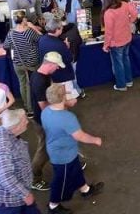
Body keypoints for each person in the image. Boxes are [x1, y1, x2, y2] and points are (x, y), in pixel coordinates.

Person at [42, 83, 104, 213]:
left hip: (60, 150)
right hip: (63, 157)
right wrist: (95, 140)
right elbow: (80, 136)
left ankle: (85, 190)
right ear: (63, 97)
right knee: (60, 182)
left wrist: (65, 102)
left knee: (75, 170)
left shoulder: (46, 111)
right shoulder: (68, 118)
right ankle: (53, 206)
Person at [0, 108, 40, 213]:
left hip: (17, 195)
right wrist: (25, 194)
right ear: (16, 126)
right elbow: (5, 177)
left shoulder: (7, 132)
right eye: (24, 120)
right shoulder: (2, 147)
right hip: (9, 200)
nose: (27, 121)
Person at [29, 51, 67, 193]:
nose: (57, 68)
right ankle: (35, 179)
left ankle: (70, 164)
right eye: (56, 66)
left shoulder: (41, 74)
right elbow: (43, 104)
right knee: (43, 150)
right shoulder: (40, 81)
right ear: (50, 64)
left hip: (43, 119)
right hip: (43, 121)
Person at [5, 13, 43, 118]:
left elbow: (6, 45)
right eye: (25, 18)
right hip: (31, 63)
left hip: (18, 63)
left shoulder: (11, 33)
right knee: (30, 85)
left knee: (22, 84)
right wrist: (33, 27)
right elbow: (42, 39)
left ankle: (27, 107)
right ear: (23, 20)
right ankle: (31, 109)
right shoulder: (29, 32)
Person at [101, 0, 137, 91]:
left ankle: (121, 85)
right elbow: (134, 13)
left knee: (118, 64)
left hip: (116, 43)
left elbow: (108, 32)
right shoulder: (125, 4)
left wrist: (105, 45)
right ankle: (129, 81)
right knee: (126, 59)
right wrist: (130, 21)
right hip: (127, 38)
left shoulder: (108, 13)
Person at [38, 17, 75, 88]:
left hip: (49, 76)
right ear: (57, 29)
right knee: (67, 97)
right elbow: (70, 59)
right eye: (61, 27)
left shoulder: (42, 39)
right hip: (63, 77)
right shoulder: (60, 45)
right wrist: (67, 47)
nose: (63, 28)